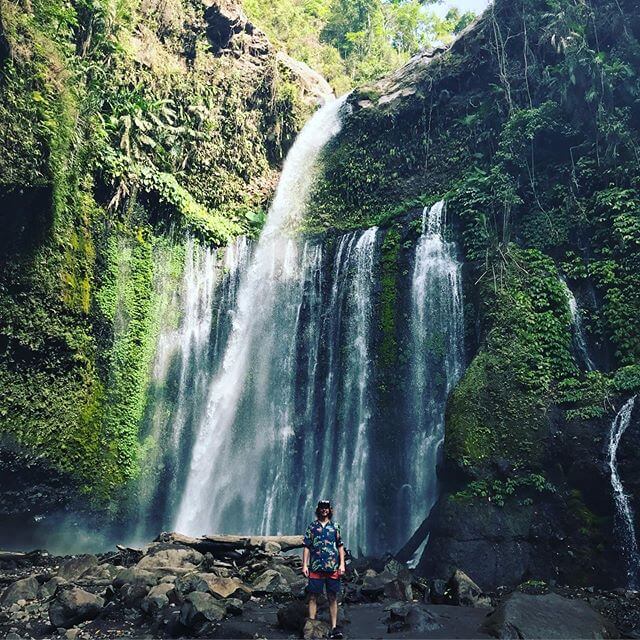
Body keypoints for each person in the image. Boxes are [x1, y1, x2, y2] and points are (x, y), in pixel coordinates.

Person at [302, 499, 346, 639]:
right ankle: (312, 626)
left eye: (326, 507)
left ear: (330, 509)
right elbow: (307, 546)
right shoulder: (312, 527)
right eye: (321, 507)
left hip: (332, 567)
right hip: (315, 566)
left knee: (332, 597)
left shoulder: (335, 527)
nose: (324, 510)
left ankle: (333, 627)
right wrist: (304, 565)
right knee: (313, 596)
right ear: (318, 509)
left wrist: (342, 564)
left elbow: (340, 546)